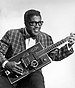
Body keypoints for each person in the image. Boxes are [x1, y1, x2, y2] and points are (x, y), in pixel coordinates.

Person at [0, 9, 74, 88]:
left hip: (32, 73)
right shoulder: (12, 34)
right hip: (10, 73)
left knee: (38, 84)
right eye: (33, 23)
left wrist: (69, 45)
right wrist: (6, 64)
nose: (37, 26)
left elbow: (55, 55)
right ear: (25, 23)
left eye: (39, 23)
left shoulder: (46, 38)